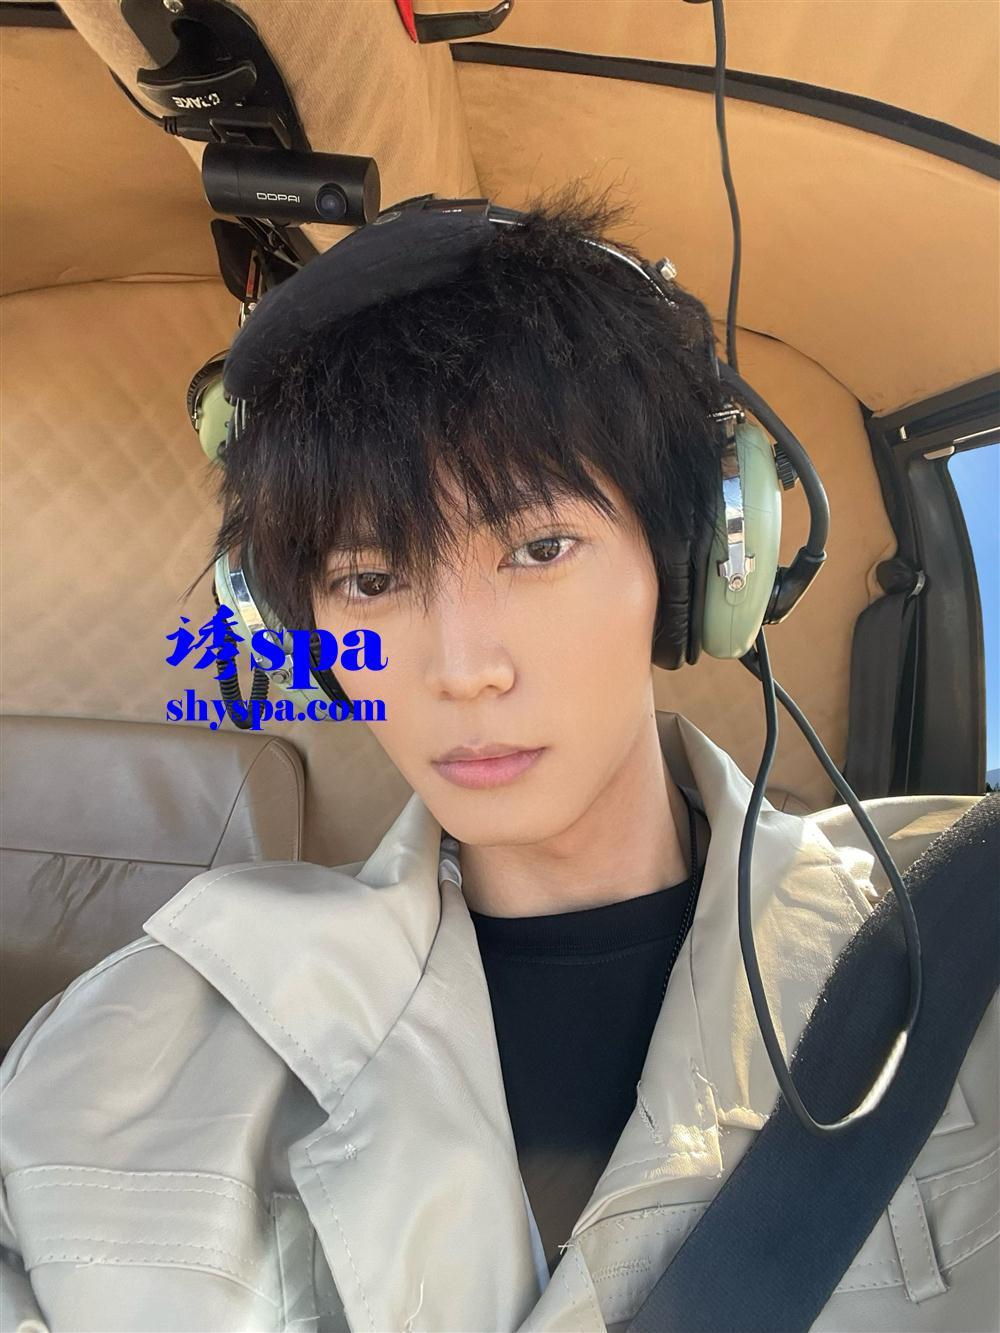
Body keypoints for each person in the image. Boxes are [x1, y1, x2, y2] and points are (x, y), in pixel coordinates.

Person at [1, 189, 997, 1333]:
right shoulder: (137, 1044)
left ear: (693, 570)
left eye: (539, 546)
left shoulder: (959, 938)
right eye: (371, 580)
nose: (461, 668)